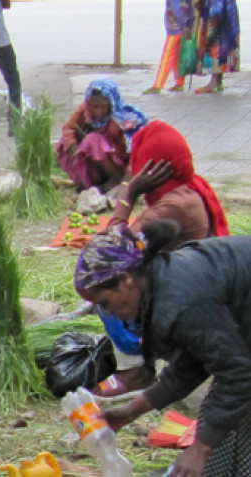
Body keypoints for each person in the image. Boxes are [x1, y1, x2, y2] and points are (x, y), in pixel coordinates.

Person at [77, 224, 251, 477]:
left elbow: (238, 374)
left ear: (125, 280)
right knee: (221, 417)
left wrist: (201, 449)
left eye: (104, 302)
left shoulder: (182, 300)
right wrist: (133, 410)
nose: (108, 312)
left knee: (232, 415)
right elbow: (195, 359)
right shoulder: (162, 284)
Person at [90, 120, 230, 399]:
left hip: (192, 299)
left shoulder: (174, 205)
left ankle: (135, 370)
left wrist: (128, 193)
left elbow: (107, 251)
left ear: (153, 171)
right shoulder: (188, 189)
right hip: (198, 287)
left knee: (105, 282)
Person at [57, 78, 146, 194]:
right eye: (94, 107)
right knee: (64, 144)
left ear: (111, 104)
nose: (98, 112)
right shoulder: (85, 110)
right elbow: (69, 128)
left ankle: (114, 180)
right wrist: (75, 149)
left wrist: (126, 182)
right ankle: (89, 181)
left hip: (118, 163)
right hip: (96, 159)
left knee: (93, 140)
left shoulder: (121, 121)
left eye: (103, 107)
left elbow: (133, 153)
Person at [195, 0, 241, 94]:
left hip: (220, 16)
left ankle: (214, 82)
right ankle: (218, 81)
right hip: (225, 15)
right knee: (220, 47)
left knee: (217, 47)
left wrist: (215, 15)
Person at [145, 0, 194, 94]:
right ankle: (179, 83)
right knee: (178, 57)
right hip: (185, 30)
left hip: (175, 30)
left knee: (167, 57)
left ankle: (158, 85)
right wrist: (189, 27)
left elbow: (177, 11)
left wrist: (182, 26)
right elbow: (192, 12)